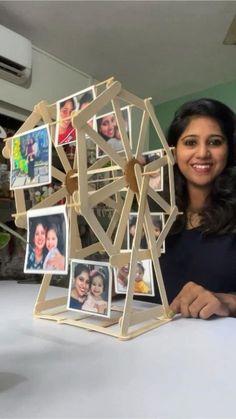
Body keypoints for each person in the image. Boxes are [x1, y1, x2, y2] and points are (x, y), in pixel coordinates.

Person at [156, 98, 236, 319]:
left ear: (229, 149)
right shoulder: (153, 217)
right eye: (190, 142)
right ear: (173, 152)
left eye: (215, 142)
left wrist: (227, 301)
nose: (202, 153)